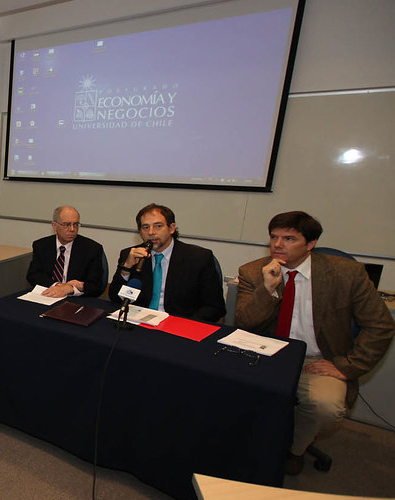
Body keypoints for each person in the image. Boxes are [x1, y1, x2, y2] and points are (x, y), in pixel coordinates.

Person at [235, 211, 395, 475]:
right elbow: (245, 322)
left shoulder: (346, 273)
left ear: (311, 244)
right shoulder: (253, 272)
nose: (278, 244)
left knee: (326, 407)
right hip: (266, 355)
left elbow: (381, 326)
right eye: (274, 237)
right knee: (223, 384)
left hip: (316, 360)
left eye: (289, 238)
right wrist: (268, 289)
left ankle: (293, 449)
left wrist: (346, 366)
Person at [108, 203, 225, 322]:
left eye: (158, 226)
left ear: (171, 228)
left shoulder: (198, 258)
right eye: (146, 227)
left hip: (178, 322)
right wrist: (126, 268)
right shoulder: (131, 255)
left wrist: (185, 324)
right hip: (138, 321)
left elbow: (215, 307)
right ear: (140, 232)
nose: (151, 232)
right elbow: (115, 299)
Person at [26, 205, 106, 298]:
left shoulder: (92, 249)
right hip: (49, 296)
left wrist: (71, 289)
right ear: (54, 226)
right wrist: (58, 285)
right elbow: (33, 275)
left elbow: (95, 286)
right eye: (67, 224)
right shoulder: (41, 245)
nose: (72, 229)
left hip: (77, 299)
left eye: (75, 224)